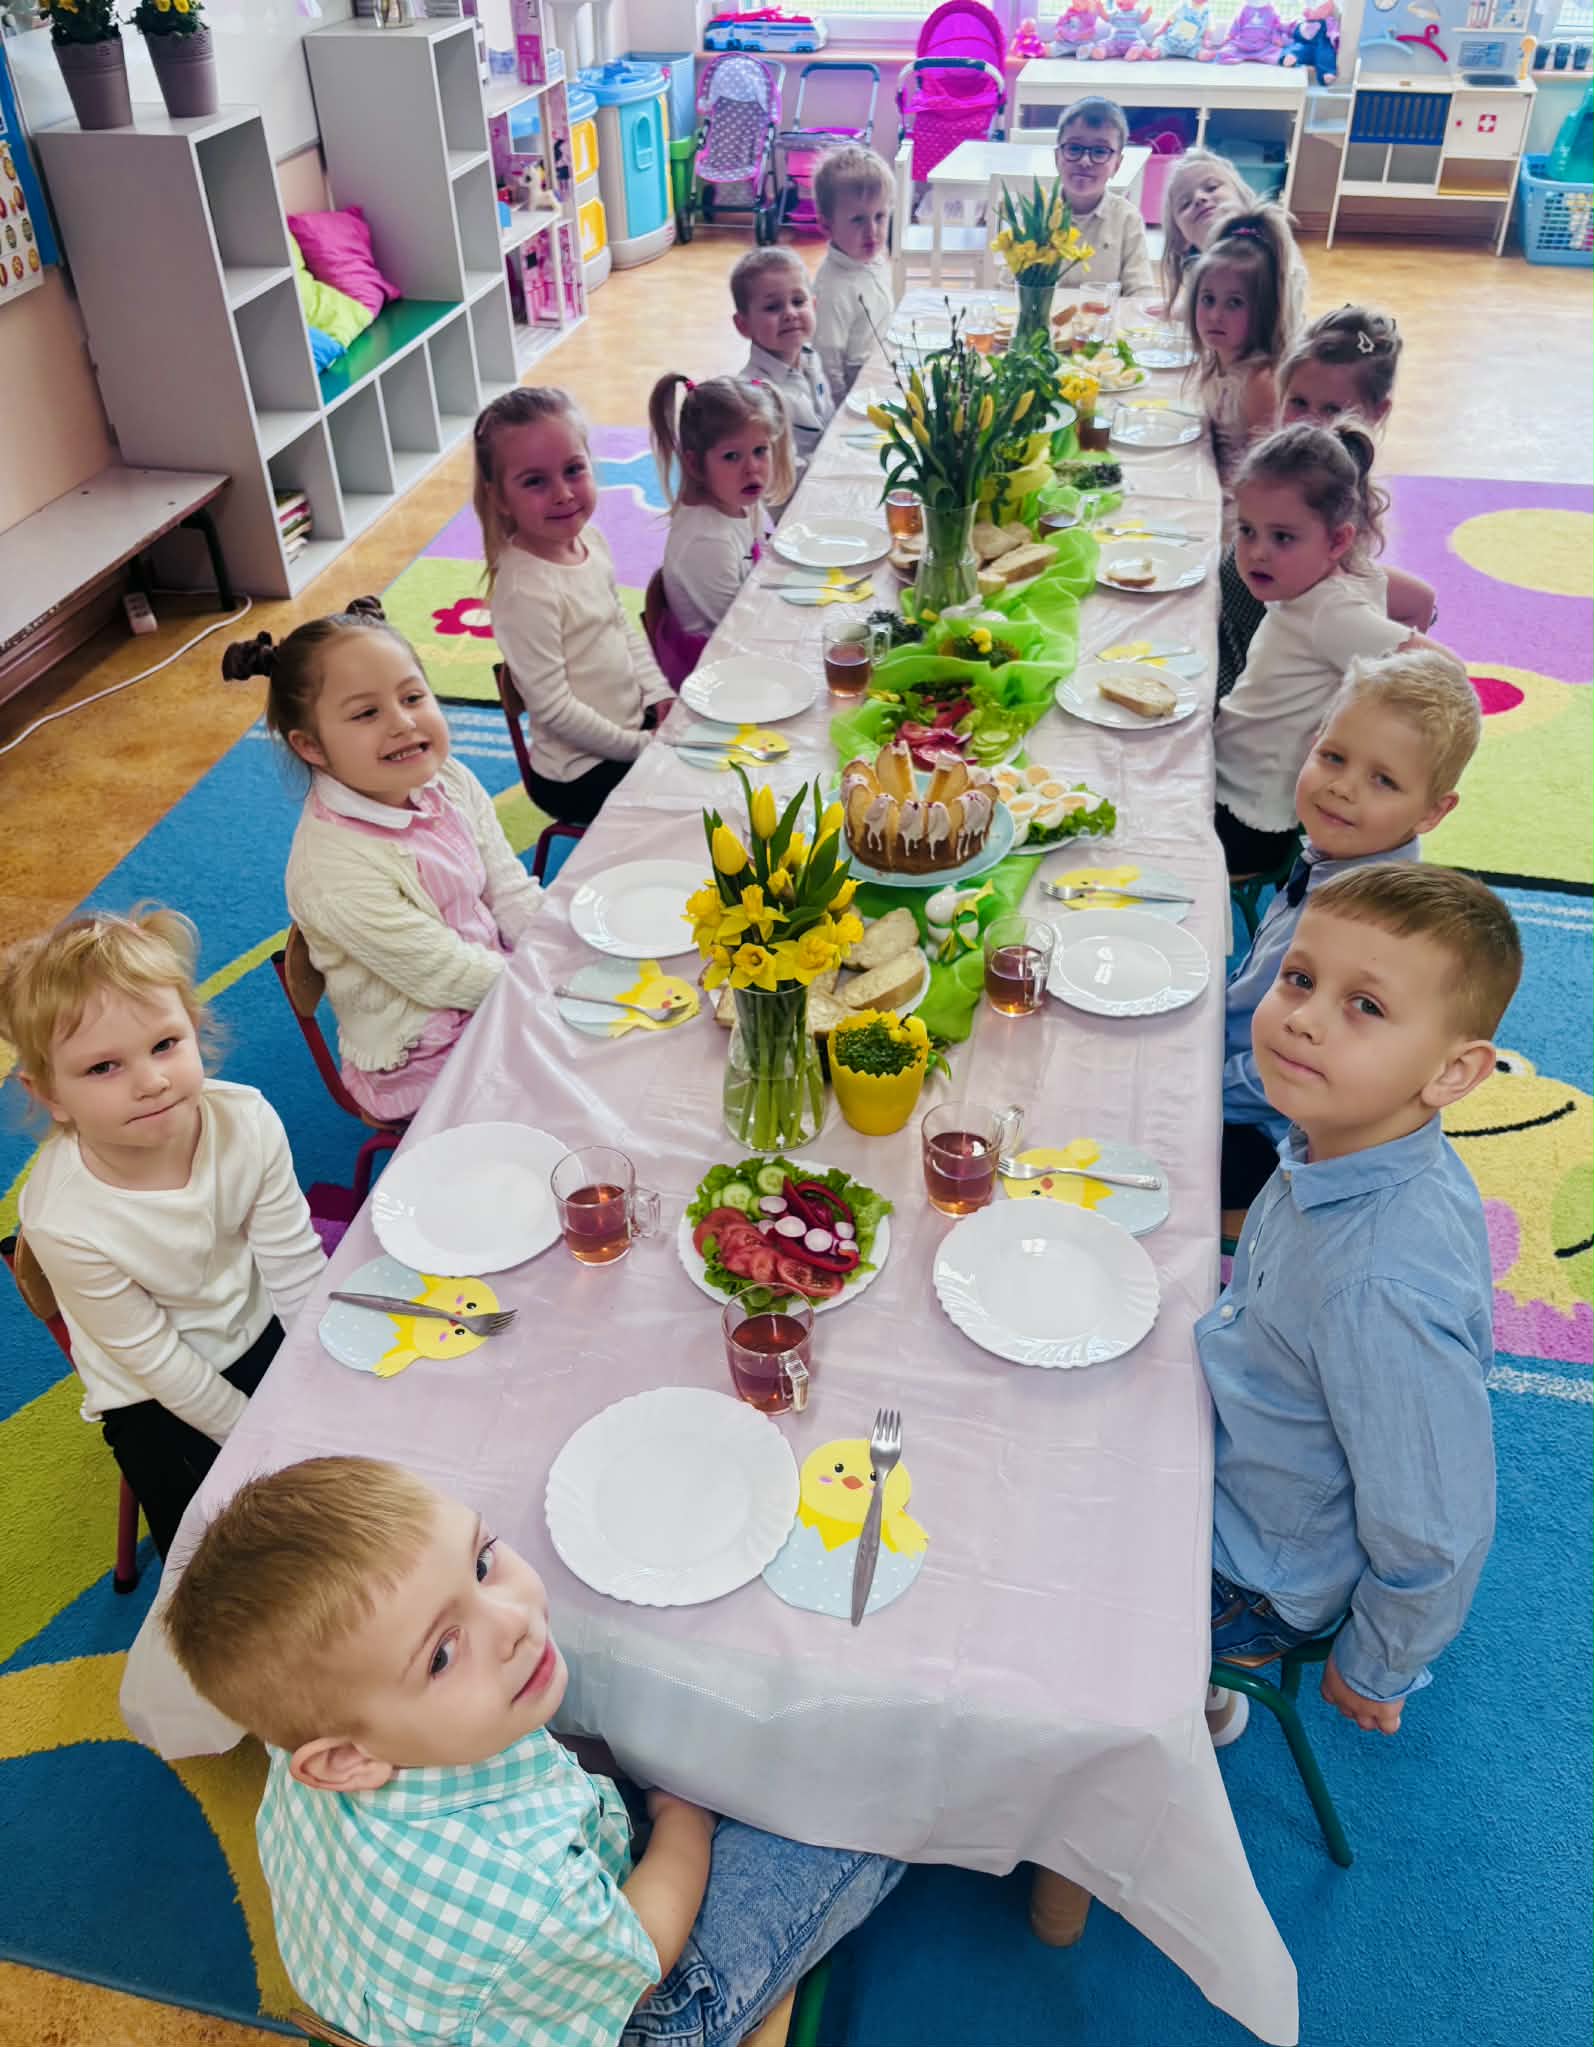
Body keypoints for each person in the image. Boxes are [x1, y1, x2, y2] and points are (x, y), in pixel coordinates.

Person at [163, 1456, 904, 2046]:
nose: (514, 1619)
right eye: (442, 1654)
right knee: (859, 1790)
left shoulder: (311, 1730)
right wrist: (685, 1817)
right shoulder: (525, 1896)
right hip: (625, 1998)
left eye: (482, 1563)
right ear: (344, 1761)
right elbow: (646, 1951)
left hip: (433, 1982)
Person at [1202, 865, 1521, 1745]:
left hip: (1250, 1569)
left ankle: (1189, 1700)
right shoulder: (1347, 1136)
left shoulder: (1381, 1286)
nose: (1304, 1016)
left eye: (1366, 1006)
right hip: (1246, 1438)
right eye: (1300, 978)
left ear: (1453, 1072)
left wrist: (1378, 1662)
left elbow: (1437, 1526)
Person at [0, 906, 325, 1558]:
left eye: (164, 1045)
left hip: (254, 1323)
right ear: (51, 1094)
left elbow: (295, 1270)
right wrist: (262, 1439)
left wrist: (322, 1378)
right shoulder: (61, 1217)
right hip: (151, 1394)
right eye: (103, 1067)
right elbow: (156, 1362)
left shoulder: (246, 1122)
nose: (150, 1082)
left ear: (194, 1031)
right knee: (232, 1559)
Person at [226, 598, 544, 1120]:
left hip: (494, 983)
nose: (403, 722)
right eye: (366, 713)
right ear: (311, 746)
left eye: (413, 697)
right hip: (425, 1058)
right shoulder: (331, 871)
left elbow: (507, 888)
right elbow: (445, 975)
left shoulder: (448, 779)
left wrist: (553, 952)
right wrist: (547, 989)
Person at [1221, 647, 1481, 1228]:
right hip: (1239, 1064)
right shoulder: (1334, 855)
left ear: (1432, 811)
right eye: (1333, 756)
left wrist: (1199, 1086)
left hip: (1269, 1129)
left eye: (1383, 780)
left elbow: (1301, 1063)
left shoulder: (1369, 924)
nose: (1342, 788)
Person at [1213, 420, 1450, 876]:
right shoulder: (1330, 580)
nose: (1257, 552)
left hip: (1247, 818)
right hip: (1234, 781)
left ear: (1338, 540)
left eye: (1282, 537)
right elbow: (1414, 602)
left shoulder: (1330, 613)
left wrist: (1377, 730)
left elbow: (1445, 669)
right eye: (1247, 530)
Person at [474, 385, 676, 826]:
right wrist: (640, 747)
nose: (563, 493)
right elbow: (554, 709)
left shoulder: (591, 541)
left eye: (573, 470)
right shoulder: (525, 592)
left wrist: (659, 693)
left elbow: (620, 626)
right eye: (535, 481)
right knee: (689, 803)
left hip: (627, 730)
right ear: (500, 498)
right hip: (578, 773)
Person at [1216, 305, 1431, 701]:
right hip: (1236, 646)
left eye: (1333, 409)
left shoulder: (1336, 508)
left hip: (1251, 682)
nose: (1308, 422)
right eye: (1298, 402)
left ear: (1378, 412)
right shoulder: (1274, 475)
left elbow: (1416, 602)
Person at [650, 374, 794, 645]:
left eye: (760, 450)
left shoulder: (737, 498)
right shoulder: (708, 540)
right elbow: (740, 634)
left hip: (747, 624)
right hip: (718, 658)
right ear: (694, 464)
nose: (752, 468)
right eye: (732, 456)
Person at [1184, 205, 1296, 488]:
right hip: (1205, 477)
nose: (1215, 316)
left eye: (1234, 303)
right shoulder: (1216, 360)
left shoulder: (1259, 383)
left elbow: (1265, 476)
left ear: (1264, 310)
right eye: (1208, 299)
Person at [1156, 148, 1307, 329]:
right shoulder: (1196, 268)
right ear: (1181, 239)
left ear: (1243, 196)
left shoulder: (1271, 249)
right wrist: (1176, 310)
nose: (1199, 198)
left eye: (1212, 187)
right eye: (1185, 204)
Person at [730, 245, 833, 482]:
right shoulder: (753, 396)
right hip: (795, 494)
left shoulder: (811, 358)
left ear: (813, 306)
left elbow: (826, 418)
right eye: (772, 307)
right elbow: (779, 473)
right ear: (743, 325)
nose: (790, 314)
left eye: (798, 301)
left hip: (826, 471)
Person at [812, 143, 895, 399]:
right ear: (827, 226)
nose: (872, 232)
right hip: (856, 391)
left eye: (880, 216)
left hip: (883, 371)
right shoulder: (832, 289)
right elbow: (827, 362)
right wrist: (840, 410)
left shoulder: (875, 260)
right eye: (858, 219)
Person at [1053, 96, 1153, 296]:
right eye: (1074, 148)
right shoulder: (1036, 216)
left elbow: (1141, 293)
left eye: (1100, 151)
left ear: (1117, 165)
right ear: (1057, 157)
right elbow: (1009, 287)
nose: (1085, 161)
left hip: (1106, 315)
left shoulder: (1127, 219)